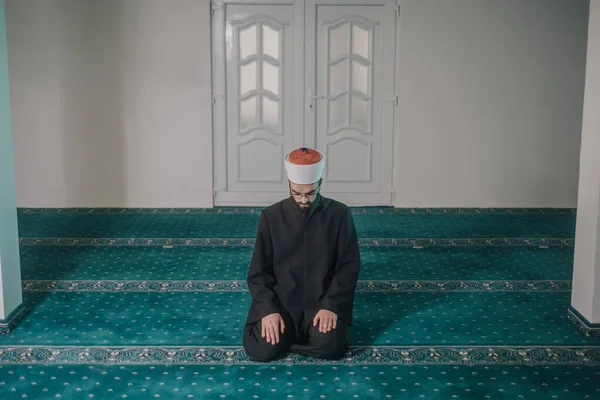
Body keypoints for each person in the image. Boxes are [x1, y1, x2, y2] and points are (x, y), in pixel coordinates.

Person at [243, 147, 361, 362]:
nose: (304, 200)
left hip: (321, 303)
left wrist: (331, 306)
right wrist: (268, 310)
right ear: (289, 185)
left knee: (331, 348)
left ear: (320, 184)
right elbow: (258, 273)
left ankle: (293, 342)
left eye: (310, 193)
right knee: (260, 350)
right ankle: (297, 341)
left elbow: (348, 268)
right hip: (283, 304)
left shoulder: (340, 214)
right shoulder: (271, 216)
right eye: (297, 193)